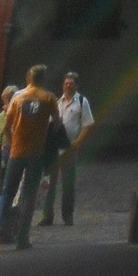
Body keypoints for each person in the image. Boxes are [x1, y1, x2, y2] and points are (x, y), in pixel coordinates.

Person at [0, 64, 57, 251]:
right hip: (36, 153)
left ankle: (1, 226)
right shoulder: (48, 98)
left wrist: (12, 142)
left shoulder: (17, 99)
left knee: (8, 191)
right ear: (43, 79)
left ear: (28, 79)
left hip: (16, 151)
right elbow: (56, 124)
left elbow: (6, 126)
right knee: (29, 195)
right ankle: (23, 236)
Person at [39, 72, 93, 228]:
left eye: (71, 83)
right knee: (50, 183)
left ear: (76, 85)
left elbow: (88, 124)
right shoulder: (57, 102)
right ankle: (47, 216)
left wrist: (78, 141)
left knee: (68, 183)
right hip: (54, 149)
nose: (68, 86)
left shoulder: (82, 102)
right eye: (66, 83)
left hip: (69, 147)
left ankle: (67, 215)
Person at [0, 85, 17, 191]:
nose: (6, 103)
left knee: (12, 180)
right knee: (3, 180)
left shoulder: (19, 113)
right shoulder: (2, 115)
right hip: (3, 151)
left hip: (15, 150)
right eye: (4, 100)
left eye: (8, 99)